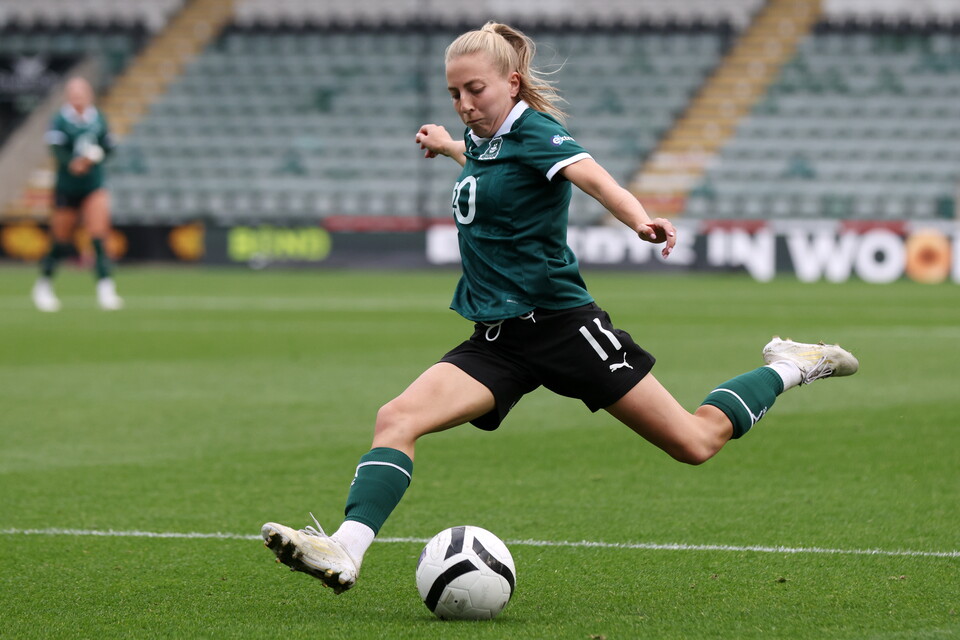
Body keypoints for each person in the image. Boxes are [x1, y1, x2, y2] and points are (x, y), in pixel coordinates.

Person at [261, 23, 858, 593]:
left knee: (695, 442)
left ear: (512, 83)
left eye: (475, 90)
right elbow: (492, 167)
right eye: (454, 93)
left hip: (563, 329)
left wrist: (639, 220)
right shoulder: (484, 137)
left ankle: (791, 363)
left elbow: (594, 179)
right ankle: (345, 548)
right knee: (396, 418)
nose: (464, 104)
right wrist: (449, 147)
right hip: (498, 340)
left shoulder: (537, 132)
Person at [32, 76, 123, 312]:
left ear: (89, 95)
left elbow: (109, 146)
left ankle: (105, 287)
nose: (77, 99)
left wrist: (96, 156)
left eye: (80, 94)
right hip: (67, 187)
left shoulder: (98, 118)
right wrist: (73, 163)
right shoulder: (60, 120)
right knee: (61, 240)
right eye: (73, 94)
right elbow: (56, 150)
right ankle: (44, 284)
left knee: (98, 235)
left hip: (93, 184)